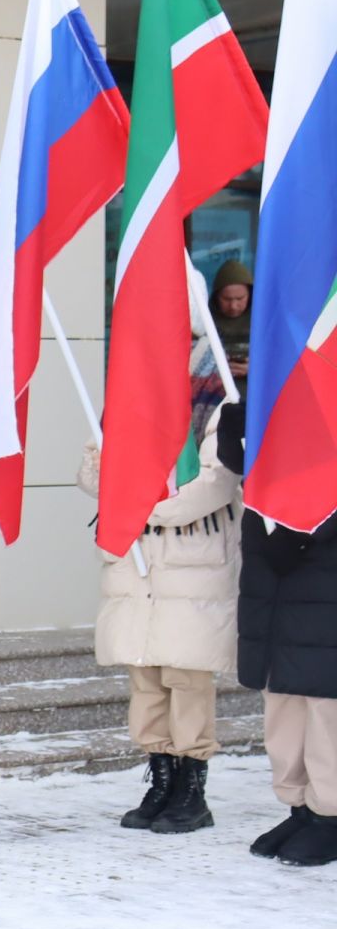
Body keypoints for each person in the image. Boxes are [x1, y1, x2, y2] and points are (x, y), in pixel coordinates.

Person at [75, 357, 240, 832]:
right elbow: (89, 473)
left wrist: (138, 503)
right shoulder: (126, 399)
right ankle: (162, 778)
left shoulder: (218, 398)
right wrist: (121, 493)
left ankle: (192, 789)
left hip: (193, 562)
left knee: (186, 677)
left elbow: (216, 481)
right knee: (145, 674)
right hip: (136, 561)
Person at [217, 401, 337, 867]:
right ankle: (302, 806)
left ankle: (330, 813)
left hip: (323, 592)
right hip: (273, 593)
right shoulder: (282, 391)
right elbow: (245, 464)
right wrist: (236, 429)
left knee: (326, 711)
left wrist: (306, 529)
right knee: (283, 708)